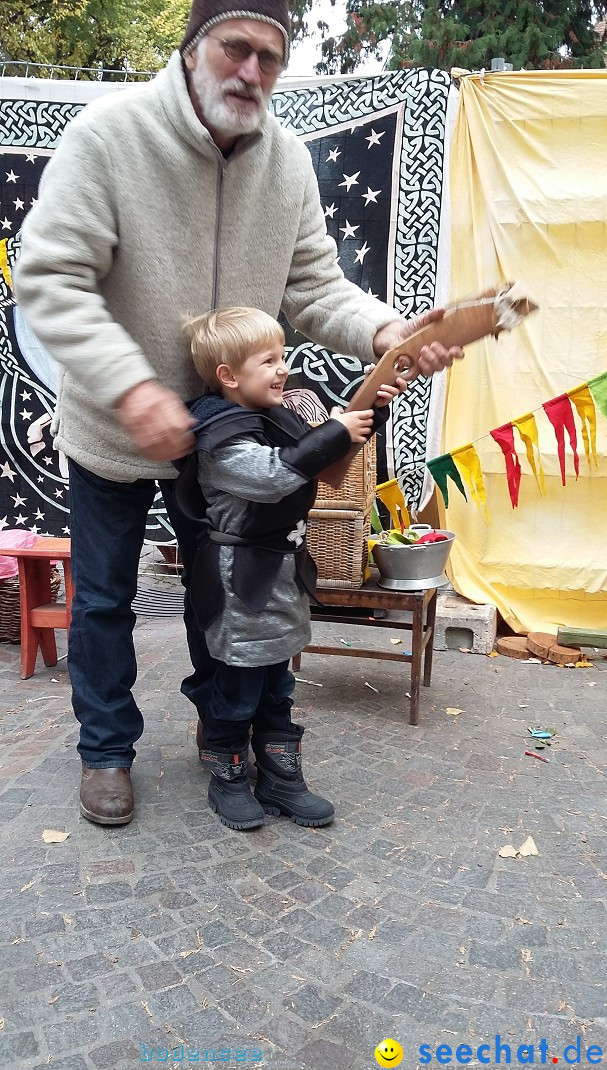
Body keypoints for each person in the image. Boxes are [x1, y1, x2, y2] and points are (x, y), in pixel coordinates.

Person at [13, 0, 464, 827]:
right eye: (235, 48)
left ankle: (224, 737)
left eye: (270, 56)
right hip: (116, 427)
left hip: (225, 440)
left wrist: (384, 331)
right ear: (191, 49)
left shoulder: (285, 161)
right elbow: (49, 276)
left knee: (221, 598)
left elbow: (314, 286)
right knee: (107, 600)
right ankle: (106, 750)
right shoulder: (108, 137)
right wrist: (131, 386)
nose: (251, 72)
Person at [179, 305, 403, 829]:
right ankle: (228, 776)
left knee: (277, 684)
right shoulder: (222, 437)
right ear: (228, 376)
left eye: (283, 357)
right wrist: (333, 430)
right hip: (239, 582)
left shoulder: (273, 420)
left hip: (280, 575)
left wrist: (371, 410)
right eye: (269, 360)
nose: (284, 369)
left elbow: (325, 466)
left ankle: (280, 779)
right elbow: (275, 476)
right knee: (236, 688)